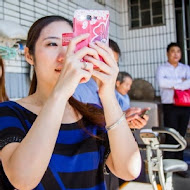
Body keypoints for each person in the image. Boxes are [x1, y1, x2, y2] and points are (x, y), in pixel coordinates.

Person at [0, 15, 141, 190]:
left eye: (69, 44)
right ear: (29, 55)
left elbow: (129, 170)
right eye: (52, 44)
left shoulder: (92, 114)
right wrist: (60, 93)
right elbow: (23, 179)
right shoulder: (9, 112)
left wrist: (108, 94)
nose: (63, 56)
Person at [156, 42, 190, 177]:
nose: (176, 54)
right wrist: (181, 83)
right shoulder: (162, 68)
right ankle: (167, 165)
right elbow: (162, 83)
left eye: (178, 51)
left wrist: (172, 84)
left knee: (181, 135)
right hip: (170, 106)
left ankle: (179, 166)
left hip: (185, 106)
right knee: (171, 135)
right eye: (173, 51)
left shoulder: (186, 68)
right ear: (167, 53)